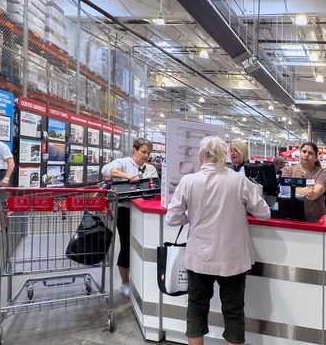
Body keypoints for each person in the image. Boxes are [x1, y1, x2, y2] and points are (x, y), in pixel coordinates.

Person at [166, 136, 270, 345]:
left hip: (199, 257)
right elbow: (264, 213)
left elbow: (172, 219)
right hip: (233, 257)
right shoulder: (239, 180)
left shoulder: (189, 181)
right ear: (224, 156)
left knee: (196, 309)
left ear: (201, 156)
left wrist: (192, 214)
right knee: (233, 313)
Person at [102, 138, 158, 297]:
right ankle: (125, 282)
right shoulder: (124, 162)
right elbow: (106, 170)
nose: (146, 155)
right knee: (126, 245)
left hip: (145, 212)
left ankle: (140, 279)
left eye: (148, 153)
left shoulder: (151, 169)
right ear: (134, 150)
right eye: (143, 152)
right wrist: (128, 176)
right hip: (125, 210)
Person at [279, 141, 326, 222]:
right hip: (291, 217)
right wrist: (302, 190)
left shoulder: (322, 173)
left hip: (315, 219)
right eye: (304, 152)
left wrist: (292, 189)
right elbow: (283, 190)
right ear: (300, 153)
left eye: (310, 153)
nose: (306, 155)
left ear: (316, 157)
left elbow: (313, 194)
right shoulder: (288, 170)